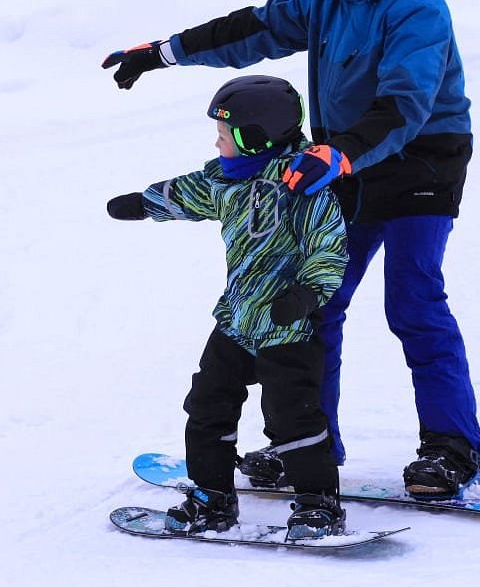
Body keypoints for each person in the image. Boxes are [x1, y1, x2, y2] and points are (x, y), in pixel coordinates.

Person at [101, 0, 480, 500]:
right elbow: (252, 29)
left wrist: (337, 153)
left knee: (413, 303)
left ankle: (452, 449)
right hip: (342, 163)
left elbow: (406, 105)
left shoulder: (416, 7)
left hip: (420, 162)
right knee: (315, 305)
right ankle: (308, 443)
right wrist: (162, 54)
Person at [106, 75, 349, 538]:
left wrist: (307, 294)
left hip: (286, 326)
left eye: (224, 135)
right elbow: (190, 192)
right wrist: (146, 203)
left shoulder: (303, 185)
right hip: (236, 320)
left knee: (292, 417)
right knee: (207, 406)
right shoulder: (226, 180)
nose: (217, 143)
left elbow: (330, 248)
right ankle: (211, 498)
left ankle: (318, 503)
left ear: (255, 137)